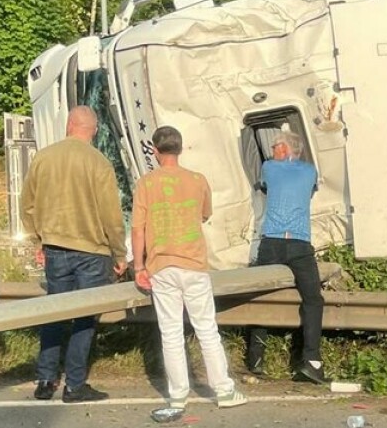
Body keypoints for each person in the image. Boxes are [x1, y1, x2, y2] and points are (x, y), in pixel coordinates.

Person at [132, 126, 248, 423]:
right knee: (206, 328)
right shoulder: (198, 180)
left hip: (161, 265)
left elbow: (138, 228)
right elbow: (204, 214)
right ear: (180, 149)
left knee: (171, 333)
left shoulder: (146, 183)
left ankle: (177, 395)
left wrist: (139, 267)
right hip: (194, 263)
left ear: (155, 151)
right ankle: (223, 390)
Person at [20, 105, 127, 403]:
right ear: (94, 130)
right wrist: (119, 252)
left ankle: (45, 379)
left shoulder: (44, 157)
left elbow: (27, 204)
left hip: (55, 246)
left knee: (54, 312)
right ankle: (75, 385)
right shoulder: (99, 162)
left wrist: (37, 240)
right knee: (84, 318)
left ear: (68, 125)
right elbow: (111, 215)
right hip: (93, 250)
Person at [245, 130, 328, 384]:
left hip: (272, 242)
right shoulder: (310, 171)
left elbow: (265, 189)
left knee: (260, 295)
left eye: (274, 147)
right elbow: (310, 192)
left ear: (285, 149)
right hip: (300, 244)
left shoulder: (269, 168)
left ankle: (256, 359)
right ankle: (312, 361)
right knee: (313, 299)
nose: (271, 152)